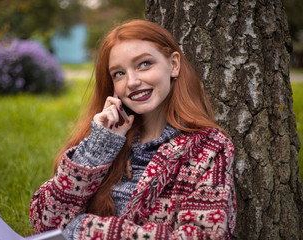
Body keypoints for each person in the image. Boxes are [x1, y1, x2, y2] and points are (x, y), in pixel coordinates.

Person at [30, 19, 236, 239]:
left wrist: (85, 230)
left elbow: (203, 235)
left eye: (144, 64)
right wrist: (99, 146)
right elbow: (46, 221)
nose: (132, 82)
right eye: (119, 73)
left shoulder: (209, 147)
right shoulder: (110, 140)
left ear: (174, 65)